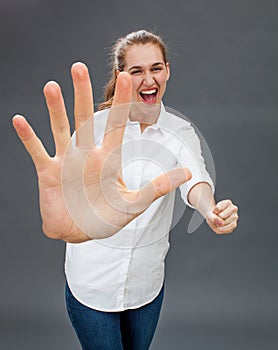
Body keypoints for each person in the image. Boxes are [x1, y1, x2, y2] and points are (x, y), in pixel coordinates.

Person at [12, 30, 239, 350]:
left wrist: (210, 210)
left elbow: (195, 179)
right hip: (91, 287)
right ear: (121, 77)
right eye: (137, 70)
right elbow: (75, 186)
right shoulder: (95, 130)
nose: (149, 79)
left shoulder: (180, 131)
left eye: (156, 68)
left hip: (147, 287)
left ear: (168, 71)